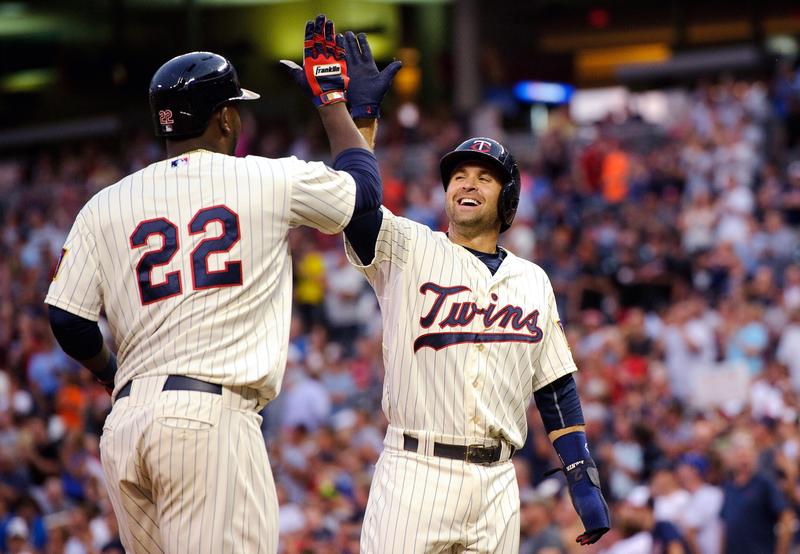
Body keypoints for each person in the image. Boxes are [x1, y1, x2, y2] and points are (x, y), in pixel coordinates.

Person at [45, 14, 382, 553]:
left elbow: (67, 319)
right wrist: (336, 105)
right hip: (209, 422)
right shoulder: (264, 178)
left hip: (127, 425)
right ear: (225, 119)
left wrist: (113, 375)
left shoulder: (103, 204)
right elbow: (365, 193)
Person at [333, 31, 610, 553]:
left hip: (497, 483)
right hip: (416, 471)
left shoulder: (533, 279)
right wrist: (361, 122)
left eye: (483, 177)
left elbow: (555, 388)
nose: (466, 184)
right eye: (458, 175)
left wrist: (582, 477)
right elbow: (359, 206)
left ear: (506, 197)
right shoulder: (408, 247)